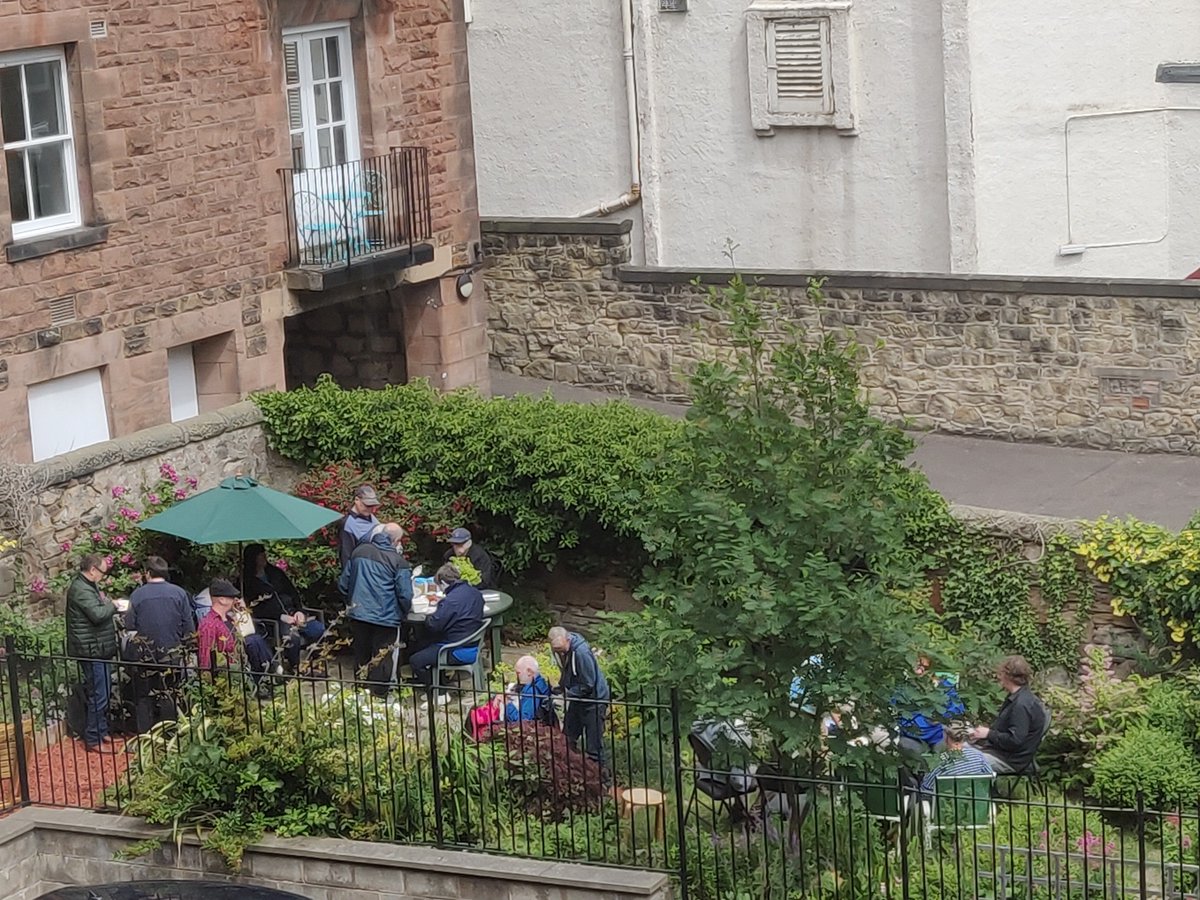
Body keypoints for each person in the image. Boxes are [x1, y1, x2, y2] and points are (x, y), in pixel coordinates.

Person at [338, 523, 412, 698]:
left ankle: (360, 694)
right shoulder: (398, 562)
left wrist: (352, 603)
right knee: (382, 658)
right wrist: (403, 612)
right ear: (396, 541)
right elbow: (405, 595)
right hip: (385, 618)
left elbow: (343, 584)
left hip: (359, 614)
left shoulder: (359, 552)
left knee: (361, 654)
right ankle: (378, 697)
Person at [123, 556, 195, 733]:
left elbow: (129, 627)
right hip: (172, 652)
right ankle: (169, 733)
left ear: (148, 573)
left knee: (143, 696)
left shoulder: (137, 595)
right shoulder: (179, 593)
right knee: (170, 692)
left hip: (145, 654)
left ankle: (145, 735)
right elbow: (189, 627)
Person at [242, 543, 325, 672]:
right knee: (292, 638)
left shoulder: (276, 573)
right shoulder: (246, 582)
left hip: (292, 612)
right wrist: (281, 616)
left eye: (265, 555)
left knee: (318, 629)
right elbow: (254, 609)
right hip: (274, 620)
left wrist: (299, 611)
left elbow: (293, 593)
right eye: (260, 556)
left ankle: (315, 664)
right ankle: (295, 667)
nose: (264, 558)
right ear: (253, 559)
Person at [65, 554, 118, 752]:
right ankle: (93, 738)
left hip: (98, 647)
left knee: (103, 690)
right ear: (93, 570)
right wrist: (112, 605)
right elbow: (97, 615)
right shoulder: (81, 589)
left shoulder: (88, 586)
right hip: (91, 649)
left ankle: (101, 731)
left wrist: (106, 602)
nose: (104, 576)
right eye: (103, 572)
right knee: (99, 693)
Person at [408, 564, 486, 698]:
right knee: (422, 644)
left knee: (416, 660)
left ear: (443, 583)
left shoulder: (450, 601)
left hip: (454, 649)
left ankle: (439, 693)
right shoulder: (475, 593)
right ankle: (440, 681)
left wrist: (428, 615)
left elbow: (434, 625)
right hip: (473, 644)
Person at [197, 578, 275, 696]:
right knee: (254, 641)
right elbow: (205, 654)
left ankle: (267, 673)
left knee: (254, 639)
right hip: (226, 672)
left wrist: (242, 611)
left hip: (240, 667)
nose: (235, 600)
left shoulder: (230, 619)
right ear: (222, 600)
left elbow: (249, 630)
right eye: (232, 597)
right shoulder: (209, 623)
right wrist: (207, 683)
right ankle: (271, 671)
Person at [970, 655, 1048, 774]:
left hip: (1009, 760)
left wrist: (988, 734)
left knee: (960, 761)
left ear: (1007, 676)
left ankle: (979, 792)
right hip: (1002, 753)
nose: (998, 677)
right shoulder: (1019, 697)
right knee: (957, 747)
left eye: (1000, 674)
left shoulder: (1021, 705)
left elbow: (1015, 740)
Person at [549, 626, 610, 768]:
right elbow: (567, 671)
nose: (560, 653)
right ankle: (571, 770)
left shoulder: (581, 653)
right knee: (567, 738)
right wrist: (561, 687)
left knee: (594, 747)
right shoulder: (560, 650)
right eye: (556, 650)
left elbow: (589, 683)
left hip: (594, 700)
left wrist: (567, 694)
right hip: (579, 698)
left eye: (561, 649)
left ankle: (602, 780)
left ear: (568, 639)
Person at [896, 656, 965, 757]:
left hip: (939, 734)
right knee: (907, 748)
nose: (920, 671)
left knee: (945, 750)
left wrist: (942, 716)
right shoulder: (902, 689)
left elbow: (958, 708)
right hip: (912, 736)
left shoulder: (945, 686)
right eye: (917, 667)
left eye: (925, 667)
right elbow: (894, 711)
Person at [920, 721, 994, 797]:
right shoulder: (979, 756)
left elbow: (926, 790)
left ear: (945, 737)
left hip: (946, 806)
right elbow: (990, 779)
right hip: (975, 805)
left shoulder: (938, 762)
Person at [338, 484, 381, 577]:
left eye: (373, 505)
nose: (371, 509)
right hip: (360, 575)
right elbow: (346, 557)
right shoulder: (348, 524)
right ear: (357, 500)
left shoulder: (372, 518)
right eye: (367, 505)